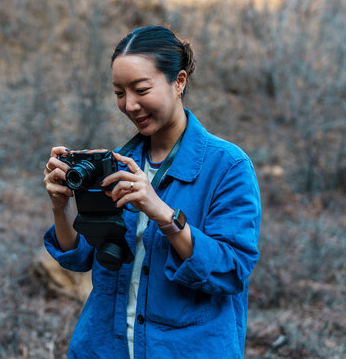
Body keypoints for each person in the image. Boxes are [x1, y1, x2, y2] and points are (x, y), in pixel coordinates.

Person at [42, 25, 260, 358]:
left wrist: (163, 213)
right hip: (103, 348)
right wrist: (60, 208)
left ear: (179, 81)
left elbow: (231, 269)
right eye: (118, 92)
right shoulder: (117, 164)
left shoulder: (227, 167)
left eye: (141, 89)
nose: (129, 105)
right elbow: (80, 257)